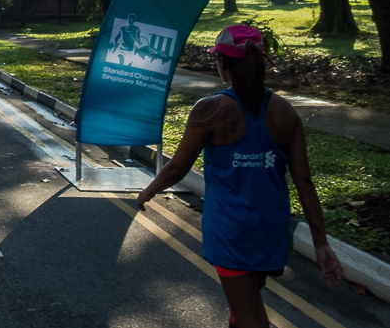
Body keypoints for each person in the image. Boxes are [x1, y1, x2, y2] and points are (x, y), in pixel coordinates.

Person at [137, 25, 344, 328]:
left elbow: (178, 168)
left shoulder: (209, 109)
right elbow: (303, 181)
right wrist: (321, 242)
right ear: (260, 60)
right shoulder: (286, 112)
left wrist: (148, 191)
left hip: (232, 229)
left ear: (223, 62)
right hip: (271, 228)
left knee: (251, 318)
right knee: (245, 306)